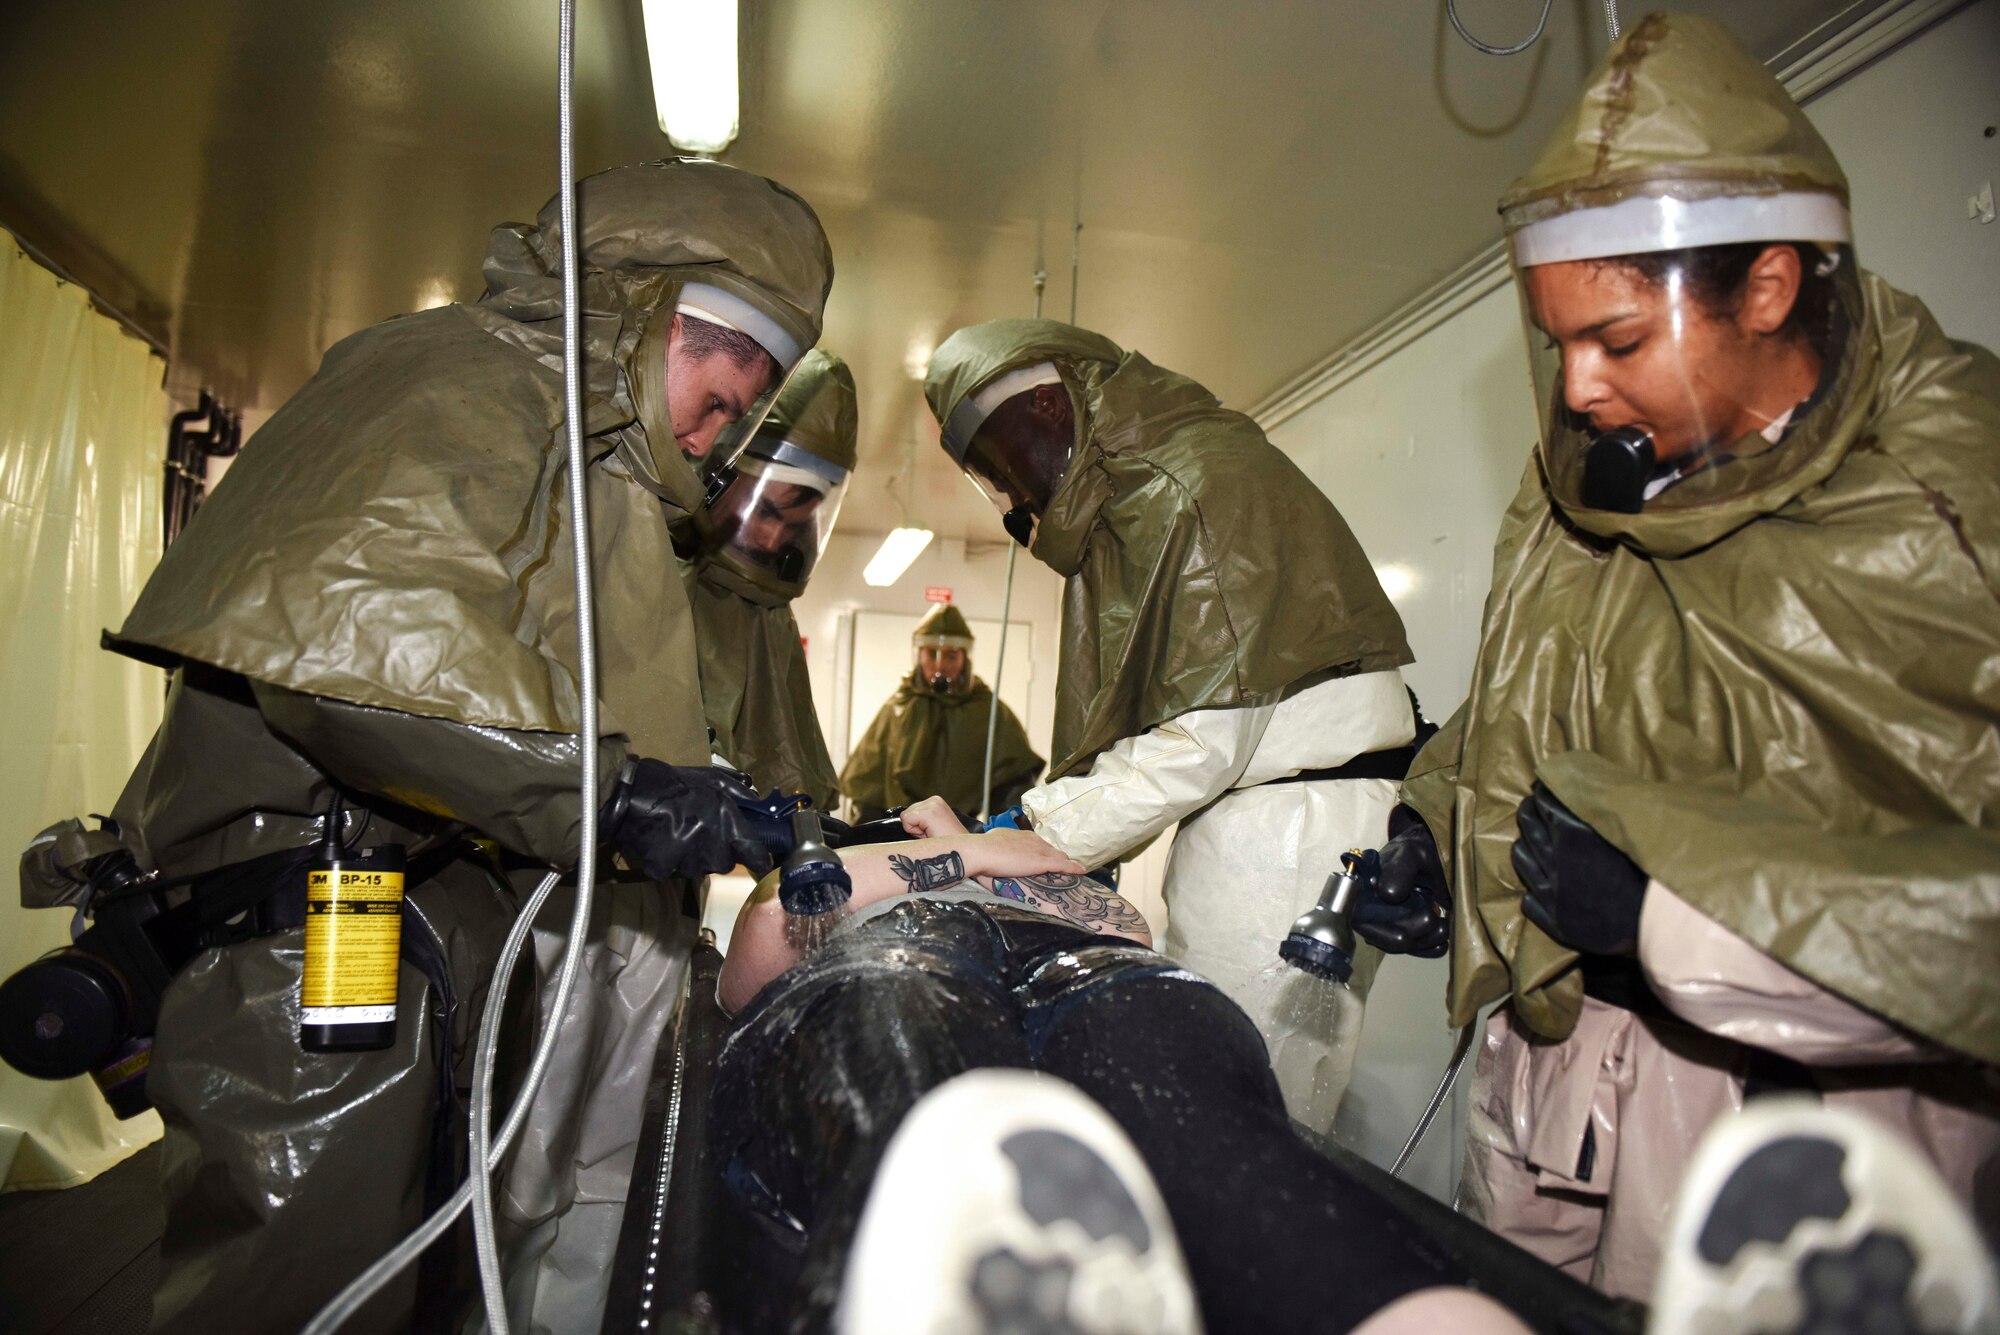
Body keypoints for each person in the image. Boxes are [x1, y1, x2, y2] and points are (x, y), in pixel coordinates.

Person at [12, 159, 834, 1332]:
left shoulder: (594, 468)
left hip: (417, 938)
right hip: (312, 944)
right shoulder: (457, 377)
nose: (730, 411)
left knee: (422, 1281)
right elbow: (364, 663)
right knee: (309, 1290)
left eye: (760, 384)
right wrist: (614, 799)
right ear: (641, 301)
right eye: (727, 359)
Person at [1364, 13, 2000, 1300]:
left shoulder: (1950, 496)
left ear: (1767, 288)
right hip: (1549, 1072)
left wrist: (1670, 920)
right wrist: (1439, 823)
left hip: (1781, 1111)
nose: (1579, 389)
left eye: (1616, 342)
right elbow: (1537, 682)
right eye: (1556, 346)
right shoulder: (1591, 477)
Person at [711, 798, 1480, 1334]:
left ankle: (1412, 1313)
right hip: (904, 947)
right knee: (919, 1087)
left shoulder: (1030, 869)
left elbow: (1127, 927)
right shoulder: (834, 864)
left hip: (1095, 968)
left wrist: (987, 855)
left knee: (1196, 1122)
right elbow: (766, 944)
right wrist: (967, 853)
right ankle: (950, 1279)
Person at [921, 320, 1418, 1133]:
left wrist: (1033, 831)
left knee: (1241, 1109)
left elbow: (1204, 736)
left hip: (1292, 833)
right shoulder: (1157, 483)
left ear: (1047, 403)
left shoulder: (1188, 485)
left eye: (997, 460)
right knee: (1228, 1083)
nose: (1007, 493)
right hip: (1268, 810)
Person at [685, 347, 855, 810]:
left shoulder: (767, 614)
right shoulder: (651, 574)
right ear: (715, 472)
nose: (771, 539)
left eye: (795, 524)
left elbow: (792, 773)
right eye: (764, 509)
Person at [838, 602, 1044, 821]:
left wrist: (999, 837)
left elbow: (1012, 784)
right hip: (898, 836)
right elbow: (869, 787)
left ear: (964, 659)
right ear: (919, 656)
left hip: (962, 835)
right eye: (932, 654)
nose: (940, 665)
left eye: (951, 656)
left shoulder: (990, 713)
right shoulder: (898, 710)